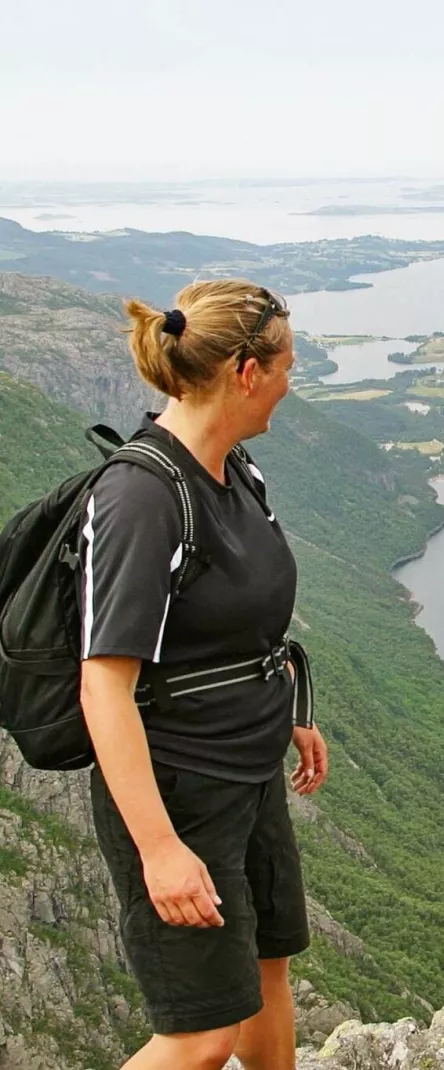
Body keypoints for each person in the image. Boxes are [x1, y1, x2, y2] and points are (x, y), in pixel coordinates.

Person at [79, 280, 329, 1070]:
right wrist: (159, 849)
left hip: (248, 774)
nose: (294, 382)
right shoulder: (142, 498)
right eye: (287, 365)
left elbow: (230, 621)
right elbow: (103, 686)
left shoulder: (233, 472)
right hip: (180, 794)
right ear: (247, 374)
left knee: (267, 971)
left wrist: (283, 704)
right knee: (200, 1036)